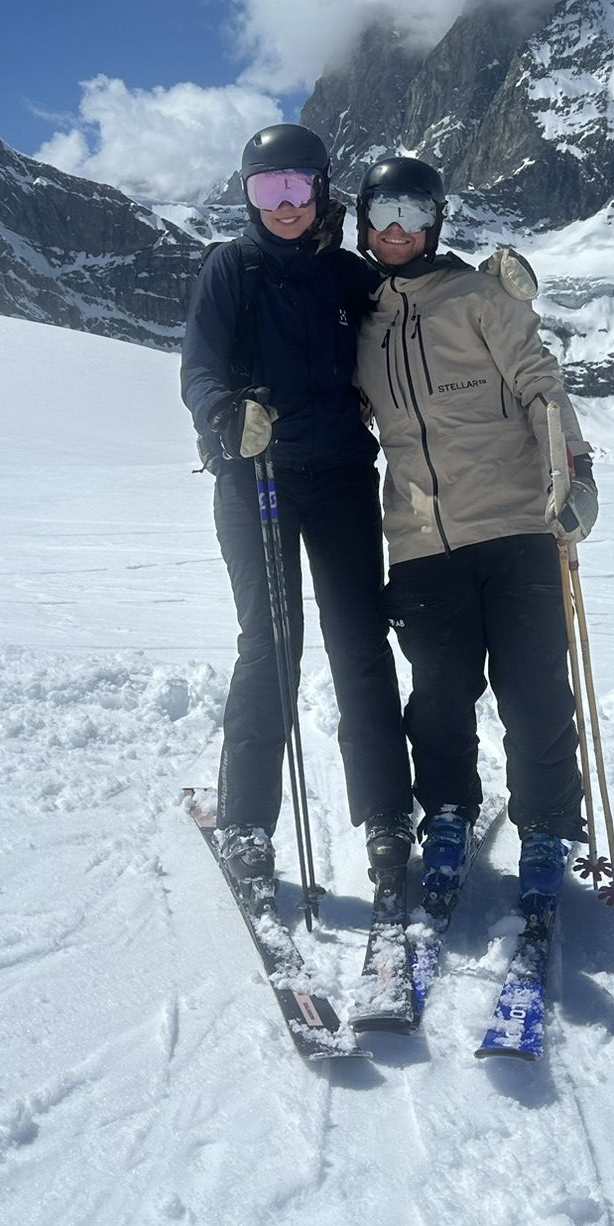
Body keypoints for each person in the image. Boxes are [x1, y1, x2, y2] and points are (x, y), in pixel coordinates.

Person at [351, 155, 598, 921]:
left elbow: (540, 386)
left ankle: (547, 827)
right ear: (362, 222)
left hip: (517, 523)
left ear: (436, 224)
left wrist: (574, 474)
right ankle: (449, 813)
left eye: (415, 214)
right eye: (384, 213)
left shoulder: (481, 297)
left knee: (534, 689)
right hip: (420, 540)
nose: (398, 229)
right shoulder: (362, 323)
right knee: (439, 696)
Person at [180, 124, 415, 905]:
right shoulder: (232, 269)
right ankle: (248, 822)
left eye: (296, 187)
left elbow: (417, 306)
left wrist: (485, 289)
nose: (283, 204)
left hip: (341, 478)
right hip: (257, 481)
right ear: (249, 195)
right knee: (271, 646)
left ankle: (386, 814)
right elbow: (199, 370)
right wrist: (226, 415)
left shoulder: (348, 276)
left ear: (320, 190)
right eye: (266, 187)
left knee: (359, 642)